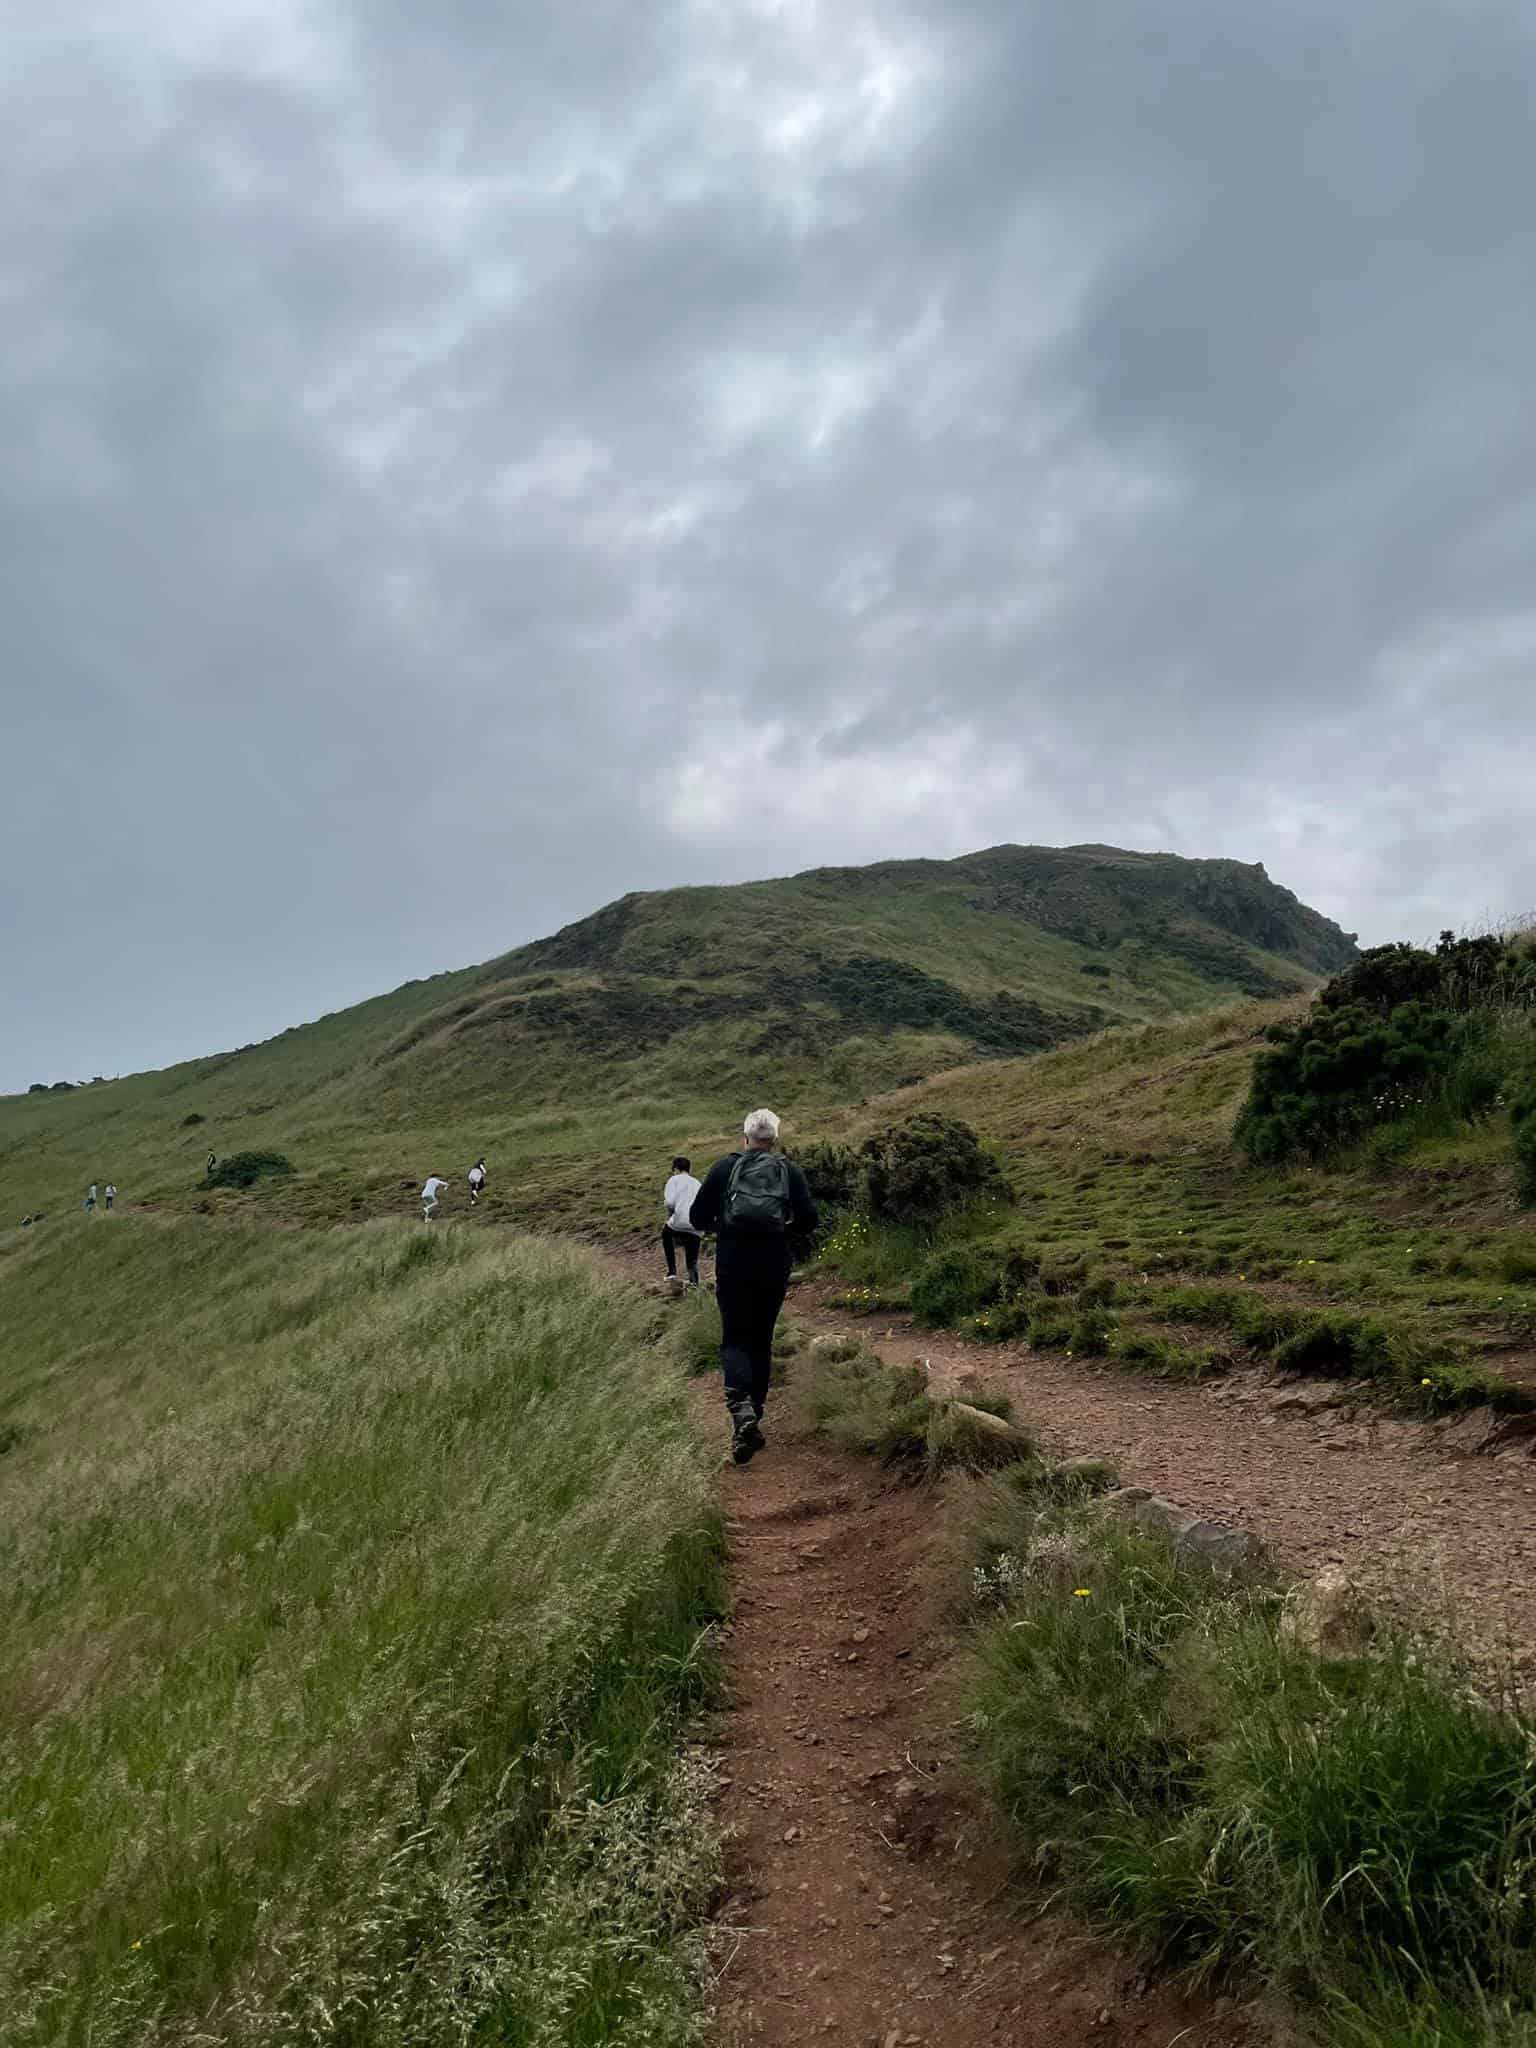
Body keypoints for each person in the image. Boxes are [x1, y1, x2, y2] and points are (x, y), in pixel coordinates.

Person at [689, 1109, 817, 1466]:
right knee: (761, 1341)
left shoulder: (723, 1168)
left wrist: (725, 1224)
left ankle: (740, 1412)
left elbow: (697, 1218)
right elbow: (809, 1221)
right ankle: (753, 1417)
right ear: (774, 1139)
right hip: (774, 1264)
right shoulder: (788, 1170)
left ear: (744, 1137)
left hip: (733, 1263)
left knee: (734, 1338)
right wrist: (783, 1226)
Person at [661, 1155, 703, 1288]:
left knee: (666, 1234)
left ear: (675, 1169)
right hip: (697, 1223)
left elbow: (670, 1203)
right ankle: (693, 1280)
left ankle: (672, 1271)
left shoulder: (674, 1180)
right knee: (692, 1250)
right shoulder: (697, 1182)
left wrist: (670, 1216)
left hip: (680, 1220)